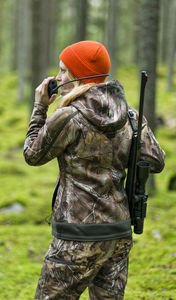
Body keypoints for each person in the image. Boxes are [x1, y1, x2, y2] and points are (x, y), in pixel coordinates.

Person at [24, 40, 165, 300]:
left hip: (76, 238)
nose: (58, 77)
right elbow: (155, 160)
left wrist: (40, 107)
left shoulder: (67, 117)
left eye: (64, 70)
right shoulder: (132, 116)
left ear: (79, 76)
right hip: (119, 235)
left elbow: (32, 155)